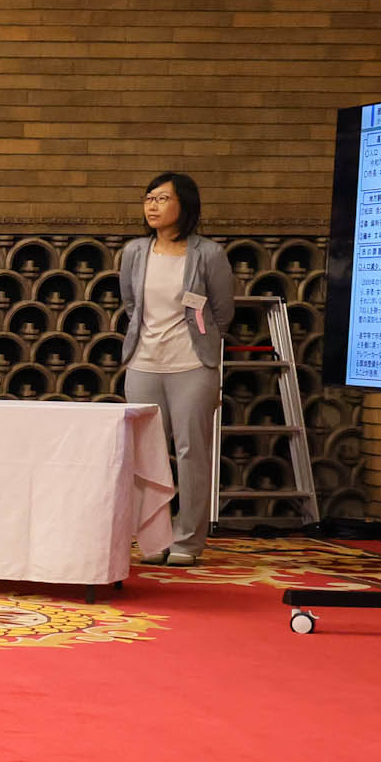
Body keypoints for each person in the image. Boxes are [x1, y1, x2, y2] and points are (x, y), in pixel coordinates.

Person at [119, 172, 236, 567]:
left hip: (192, 365)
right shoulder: (135, 251)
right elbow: (131, 305)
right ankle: (153, 539)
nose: (152, 205)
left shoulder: (208, 253)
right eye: (148, 198)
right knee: (144, 455)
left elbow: (222, 312)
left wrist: (202, 347)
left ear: (183, 205)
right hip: (143, 363)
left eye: (162, 199)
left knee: (191, 453)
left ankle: (188, 540)